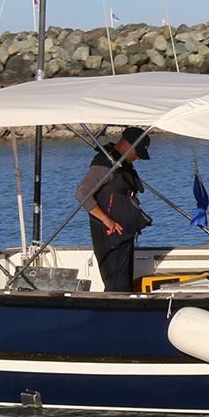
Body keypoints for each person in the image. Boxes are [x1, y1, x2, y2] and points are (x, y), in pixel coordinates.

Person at [76, 125, 152, 292]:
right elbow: (82, 193)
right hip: (110, 237)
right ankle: (115, 313)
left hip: (124, 236)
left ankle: (126, 311)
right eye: (137, 153)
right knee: (116, 284)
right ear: (127, 144)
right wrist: (106, 220)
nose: (138, 158)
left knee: (124, 283)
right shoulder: (104, 164)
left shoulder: (121, 163)